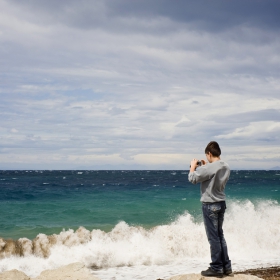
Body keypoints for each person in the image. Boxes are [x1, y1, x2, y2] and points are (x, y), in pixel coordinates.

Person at [188, 141, 232, 278]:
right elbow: (212, 174)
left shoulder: (208, 168)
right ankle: (226, 266)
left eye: (207, 156)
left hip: (210, 205)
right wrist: (206, 167)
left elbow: (193, 179)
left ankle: (216, 268)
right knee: (220, 236)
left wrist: (193, 167)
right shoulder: (226, 166)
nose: (206, 158)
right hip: (221, 203)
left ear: (209, 153)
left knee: (213, 238)